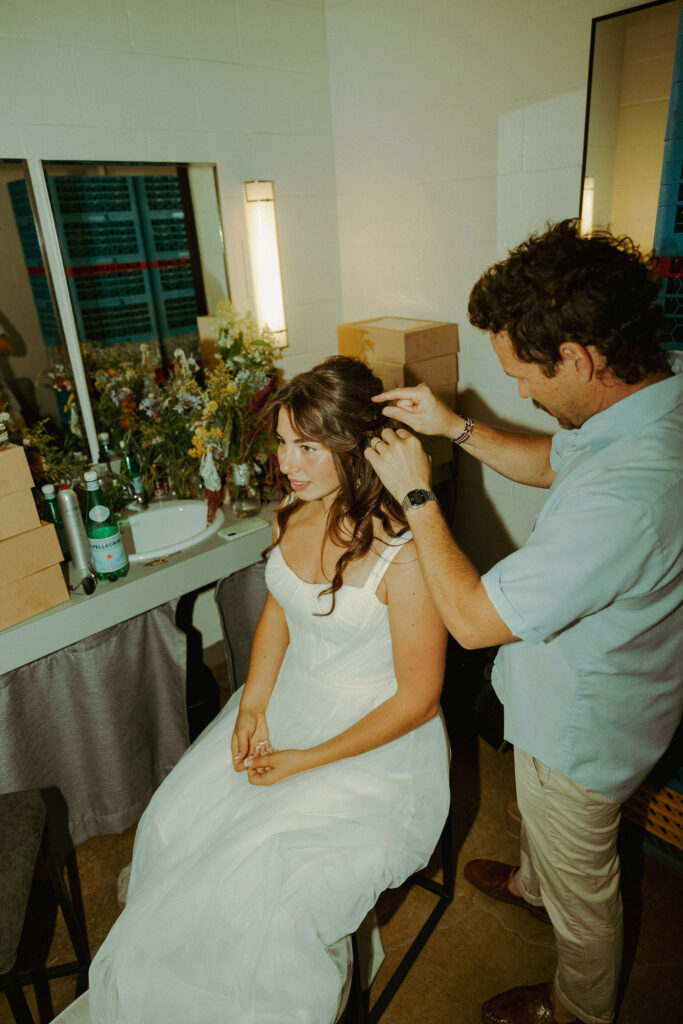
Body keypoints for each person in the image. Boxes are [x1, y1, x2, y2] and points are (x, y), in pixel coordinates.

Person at [364, 219, 683, 1024]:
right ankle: (533, 885)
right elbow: (552, 462)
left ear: (578, 358)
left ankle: (575, 1007)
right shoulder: (648, 395)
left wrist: (416, 493)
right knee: (533, 816)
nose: (520, 393)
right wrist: (451, 429)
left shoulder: (630, 494)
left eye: (524, 376)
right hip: (585, 690)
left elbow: (471, 622)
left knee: (588, 894)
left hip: (582, 728)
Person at [89, 355, 450, 1024]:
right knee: (173, 825)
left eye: (306, 446)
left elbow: (417, 700)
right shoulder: (292, 512)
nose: (287, 462)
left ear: (355, 446)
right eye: (283, 443)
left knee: (271, 903)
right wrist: (252, 701)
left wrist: (304, 761)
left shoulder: (407, 556)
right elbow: (280, 612)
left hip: (373, 745)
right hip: (288, 702)